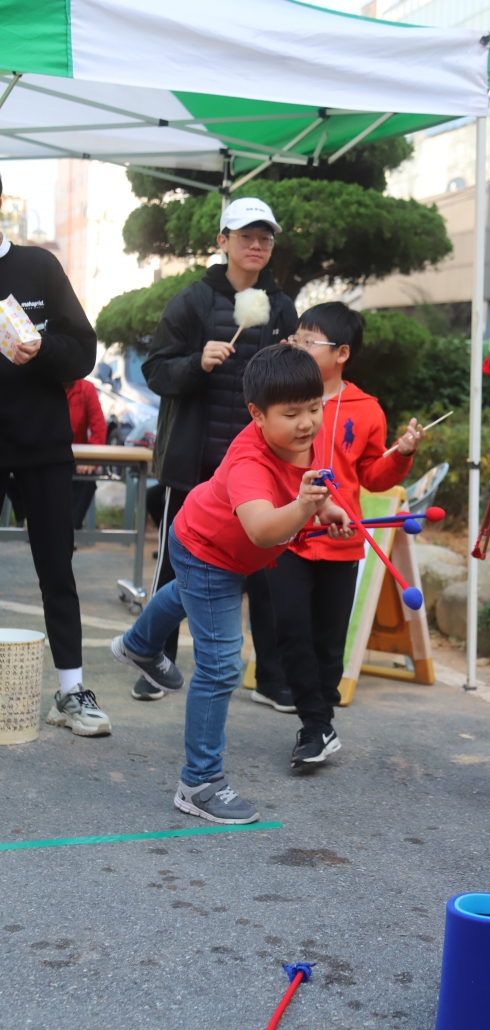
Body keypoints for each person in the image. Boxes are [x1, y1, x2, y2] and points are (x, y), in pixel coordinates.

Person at [110, 345, 352, 823]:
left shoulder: (302, 436)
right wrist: (305, 507)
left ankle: (138, 645)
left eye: (313, 407)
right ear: (257, 415)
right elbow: (262, 529)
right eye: (291, 414)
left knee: (187, 595)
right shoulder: (249, 462)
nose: (306, 423)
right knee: (222, 666)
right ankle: (199, 783)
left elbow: (305, 480)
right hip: (207, 550)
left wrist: (324, 507)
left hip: (218, 548)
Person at [137, 196, 297, 706]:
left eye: (265, 238)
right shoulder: (191, 302)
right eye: (246, 236)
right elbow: (155, 370)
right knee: (175, 567)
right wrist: (196, 362)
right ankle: (154, 662)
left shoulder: (280, 306)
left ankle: (269, 676)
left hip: (257, 468)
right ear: (223, 241)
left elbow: (292, 384)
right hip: (195, 464)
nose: (257, 246)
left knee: (267, 570)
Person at [266, 302, 424, 768]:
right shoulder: (280, 397)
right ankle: (314, 722)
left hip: (341, 539)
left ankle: (318, 724)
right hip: (289, 534)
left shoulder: (367, 409)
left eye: (308, 340)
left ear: (342, 353)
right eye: (296, 337)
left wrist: (401, 455)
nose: (297, 345)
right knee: (290, 629)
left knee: (329, 640)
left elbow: (373, 476)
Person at [0, 173, 111, 736]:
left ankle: (71, 692)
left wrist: (42, 349)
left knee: (56, 567)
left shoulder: (38, 266)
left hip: (43, 445)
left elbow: (84, 351)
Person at [64, 377, 107, 529]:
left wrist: (90, 460)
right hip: (45, 457)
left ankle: (69, 529)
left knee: (87, 480)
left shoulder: (86, 389)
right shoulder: (42, 386)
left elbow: (99, 427)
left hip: (77, 459)